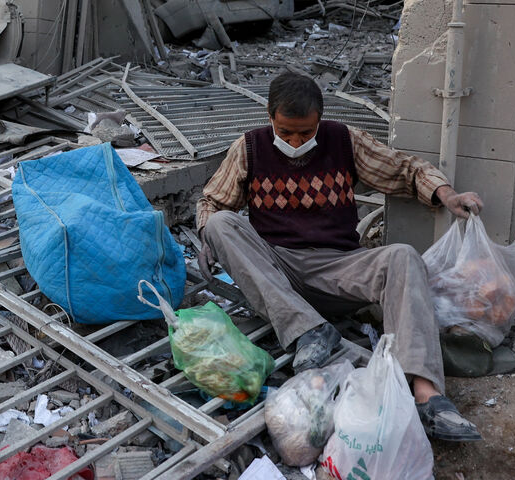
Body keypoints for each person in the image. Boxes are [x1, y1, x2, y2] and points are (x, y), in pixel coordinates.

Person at [196, 71, 484, 442]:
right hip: (276, 269)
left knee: (402, 257)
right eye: (285, 133)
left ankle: (428, 397)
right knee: (219, 224)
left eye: (305, 132)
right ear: (270, 117)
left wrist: (447, 195)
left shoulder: (343, 140)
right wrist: (207, 237)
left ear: (320, 119)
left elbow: (404, 168)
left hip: (337, 266)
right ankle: (309, 331)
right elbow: (212, 202)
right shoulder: (249, 148)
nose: (296, 142)